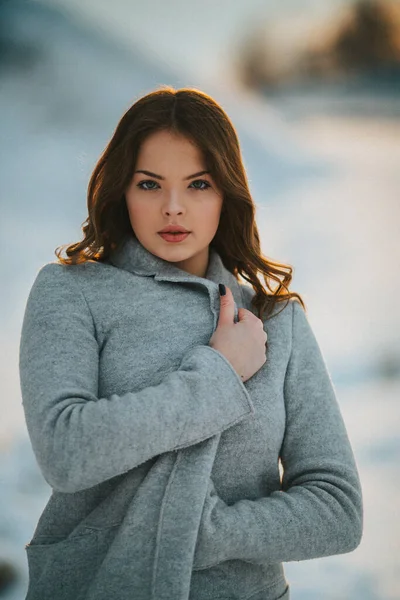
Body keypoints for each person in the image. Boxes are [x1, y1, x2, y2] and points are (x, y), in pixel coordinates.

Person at [19, 86, 363, 600]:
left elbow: (337, 510)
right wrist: (219, 374)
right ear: (122, 190)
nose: (174, 208)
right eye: (150, 184)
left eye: (198, 184)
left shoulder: (275, 319)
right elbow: (67, 452)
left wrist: (199, 533)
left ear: (226, 192)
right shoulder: (70, 292)